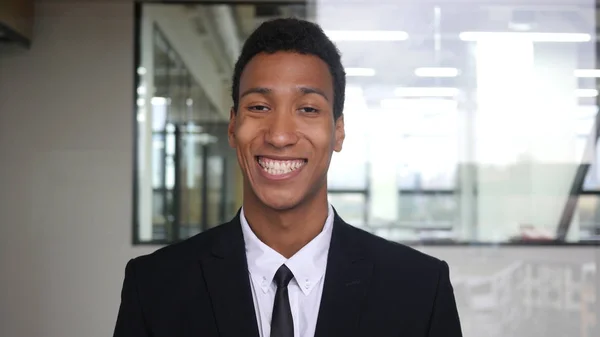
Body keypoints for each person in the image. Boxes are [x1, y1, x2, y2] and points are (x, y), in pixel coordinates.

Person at [113, 18, 462, 337]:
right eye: (259, 107)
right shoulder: (155, 286)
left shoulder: (419, 289)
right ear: (233, 126)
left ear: (338, 132)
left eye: (308, 109)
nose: (279, 136)